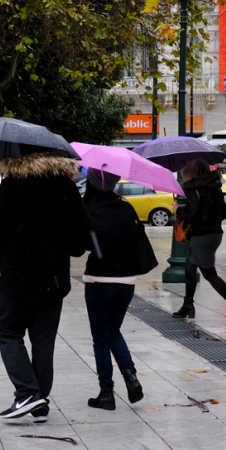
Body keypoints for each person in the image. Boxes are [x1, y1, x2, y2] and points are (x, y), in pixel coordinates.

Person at [0, 145, 90, 422]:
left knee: (7, 331)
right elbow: (83, 237)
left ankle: (28, 393)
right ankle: (39, 403)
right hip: (53, 279)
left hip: (17, 277)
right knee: (44, 342)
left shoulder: (12, 184)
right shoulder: (65, 187)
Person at [81, 168, 145, 411]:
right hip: (126, 280)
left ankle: (106, 392)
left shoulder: (90, 209)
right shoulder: (127, 207)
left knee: (101, 337)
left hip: (99, 279)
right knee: (113, 330)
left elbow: (79, 246)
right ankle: (130, 375)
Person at [171, 159, 226, 323]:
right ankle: (188, 304)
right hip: (215, 234)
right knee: (189, 266)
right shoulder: (215, 188)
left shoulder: (193, 189)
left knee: (209, 273)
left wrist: (178, 210)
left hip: (201, 236)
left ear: (190, 173)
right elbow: (224, 214)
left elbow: (192, 216)